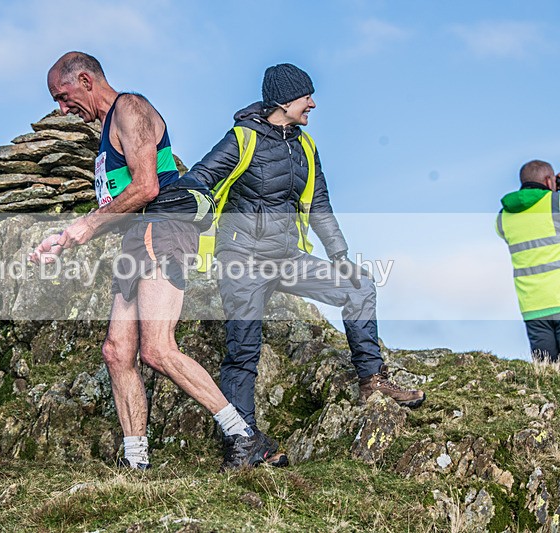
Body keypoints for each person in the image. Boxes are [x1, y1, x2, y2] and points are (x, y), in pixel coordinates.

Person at [30, 51, 284, 470]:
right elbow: (122, 204)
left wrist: (89, 225)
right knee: (116, 350)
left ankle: (245, 437)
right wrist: (64, 238)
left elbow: (147, 186)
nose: (61, 108)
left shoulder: (130, 108)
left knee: (158, 348)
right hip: (138, 235)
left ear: (86, 80)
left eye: (63, 95)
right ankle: (136, 463)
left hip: (163, 229)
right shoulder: (105, 132)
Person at [183, 63, 426, 433]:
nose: (312, 103)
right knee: (244, 353)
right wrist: (174, 205)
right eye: (306, 96)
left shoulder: (305, 147)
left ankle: (373, 381)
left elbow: (320, 204)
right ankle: (242, 441)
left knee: (359, 287)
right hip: (241, 261)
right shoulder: (242, 138)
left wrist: (340, 256)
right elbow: (200, 177)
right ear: (284, 100)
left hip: (286, 258)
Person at [497, 160, 560, 362]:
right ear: (549, 180)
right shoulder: (554, 203)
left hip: (532, 306)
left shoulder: (503, 217)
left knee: (547, 372)